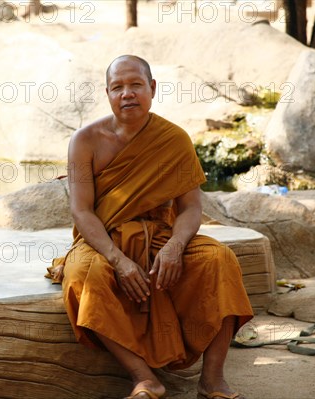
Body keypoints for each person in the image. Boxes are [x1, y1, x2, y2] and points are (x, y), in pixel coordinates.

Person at [47, 55, 254, 399]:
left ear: (152, 89)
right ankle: (144, 379)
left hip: (161, 236)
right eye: (118, 87)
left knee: (220, 260)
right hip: (105, 239)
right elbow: (81, 212)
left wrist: (175, 246)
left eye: (135, 85)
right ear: (108, 93)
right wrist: (119, 260)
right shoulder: (84, 141)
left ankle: (213, 380)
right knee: (83, 273)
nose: (127, 93)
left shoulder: (174, 139)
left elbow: (190, 208)